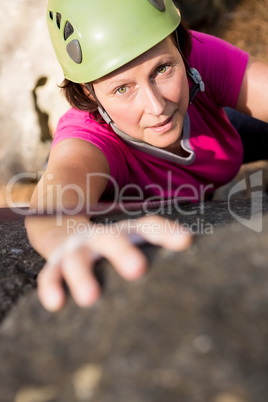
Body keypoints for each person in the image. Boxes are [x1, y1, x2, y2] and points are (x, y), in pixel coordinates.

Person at [26, 0, 268, 311]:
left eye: (162, 69)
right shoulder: (88, 141)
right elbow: (53, 207)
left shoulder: (198, 60)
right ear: (89, 92)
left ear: (181, 50)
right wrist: (67, 238)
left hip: (206, 135)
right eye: (122, 89)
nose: (156, 107)